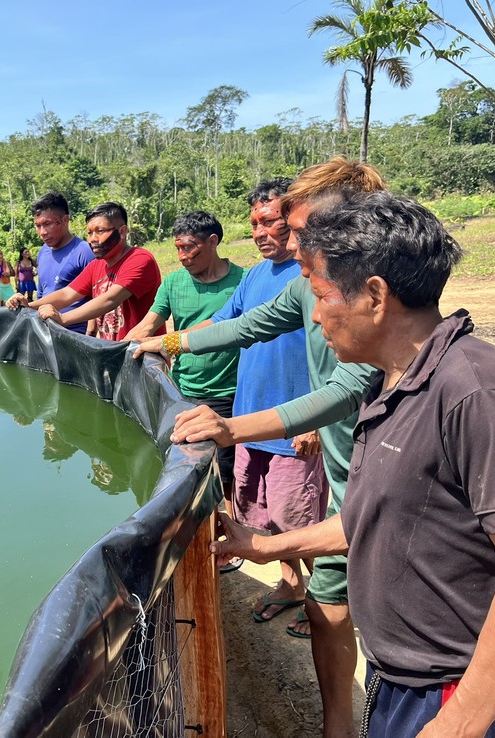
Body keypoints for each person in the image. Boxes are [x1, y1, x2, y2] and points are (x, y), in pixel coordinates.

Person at [214, 190, 495, 737]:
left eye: (322, 296)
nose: (317, 315)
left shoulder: (475, 391)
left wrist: (458, 723)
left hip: (451, 693)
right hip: (401, 678)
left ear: (374, 294)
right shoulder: (391, 384)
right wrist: (267, 546)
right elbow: (377, 517)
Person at [135, 157, 384, 737]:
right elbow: (246, 325)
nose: (287, 241)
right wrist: (164, 340)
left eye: (297, 228)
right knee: (331, 601)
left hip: (367, 469)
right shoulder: (304, 286)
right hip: (349, 475)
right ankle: (339, 723)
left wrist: (232, 428)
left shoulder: (371, 298)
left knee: (380, 611)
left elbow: (346, 386)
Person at [214, 180, 325, 635]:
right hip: (249, 422)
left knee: (304, 520)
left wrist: (316, 421)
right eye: (254, 223)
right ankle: (291, 584)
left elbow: (336, 359)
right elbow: (225, 324)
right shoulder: (256, 276)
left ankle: (326, 601)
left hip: (296, 425)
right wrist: (166, 345)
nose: (259, 232)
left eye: (270, 221)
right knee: (267, 518)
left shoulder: (313, 275)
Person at [123, 209, 245, 520]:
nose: (182, 256)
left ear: (213, 242)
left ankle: (230, 530)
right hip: (182, 391)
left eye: (189, 247)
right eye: (177, 248)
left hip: (228, 392)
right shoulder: (174, 282)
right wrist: (124, 347)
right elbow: (147, 326)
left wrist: (166, 342)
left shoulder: (242, 281)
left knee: (226, 472)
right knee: (188, 468)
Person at [7, 202, 161, 341]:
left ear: (122, 232)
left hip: (143, 359)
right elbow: (67, 294)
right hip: (115, 352)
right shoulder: (97, 265)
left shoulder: (139, 259)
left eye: (100, 231)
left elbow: (111, 299)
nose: (93, 239)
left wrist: (62, 318)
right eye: (89, 233)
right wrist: (28, 306)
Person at [6, 192, 94, 333]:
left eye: (47, 224)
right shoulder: (43, 252)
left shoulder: (84, 252)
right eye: (38, 226)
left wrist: (90, 334)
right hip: (45, 332)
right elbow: (42, 294)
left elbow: (98, 298)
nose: (42, 232)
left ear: (65, 220)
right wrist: (27, 305)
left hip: (75, 334)